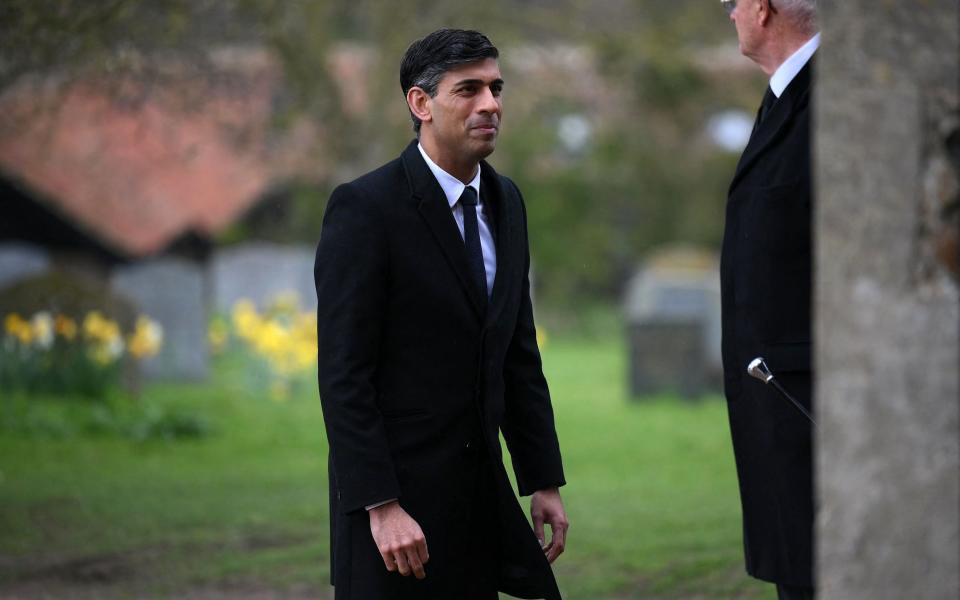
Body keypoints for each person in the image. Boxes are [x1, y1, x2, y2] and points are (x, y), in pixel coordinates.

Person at [314, 28, 568, 600]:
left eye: (496, 89)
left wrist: (543, 479)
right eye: (469, 90)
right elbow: (344, 375)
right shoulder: (364, 209)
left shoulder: (509, 202)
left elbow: (517, 354)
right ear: (421, 103)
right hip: (396, 518)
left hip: (481, 503)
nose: (491, 105)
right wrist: (382, 507)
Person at [719, 1, 819, 599]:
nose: (729, 14)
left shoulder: (834, 101)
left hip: (812, 410)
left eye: (733, 3)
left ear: (762, 8)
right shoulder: (785, 96)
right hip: (778, 409)